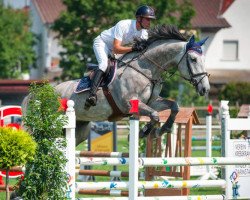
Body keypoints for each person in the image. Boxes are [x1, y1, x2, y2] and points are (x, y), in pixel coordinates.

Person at [84, 5, 156, 109]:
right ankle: (92, 94)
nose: (150, 22)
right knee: (104, 64)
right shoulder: (124, 25)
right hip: (102, 43)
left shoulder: (144, 34)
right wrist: (133, 48)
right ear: (139, 18)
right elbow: (116, 48)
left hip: (117, 49)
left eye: (151, 20)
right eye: (148, 19)